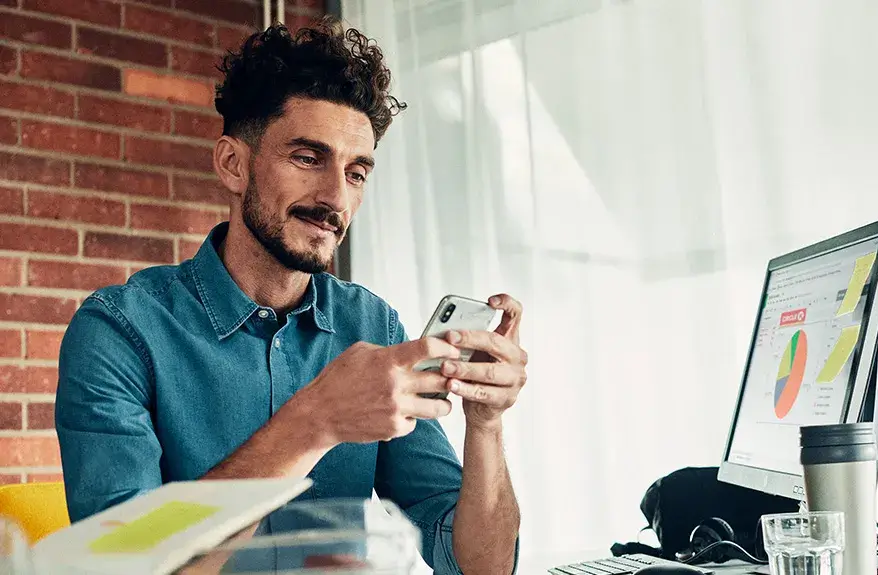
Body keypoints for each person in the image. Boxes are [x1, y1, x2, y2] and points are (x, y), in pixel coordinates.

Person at [55, 19, 526, 575]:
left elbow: (477, 566)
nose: (335, 198)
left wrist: (486, 426)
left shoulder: (374, 325)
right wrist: (314, 421)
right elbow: (122, 568)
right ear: (233, 164)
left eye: (356, 172)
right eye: (308, 158)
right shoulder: (118, 331)